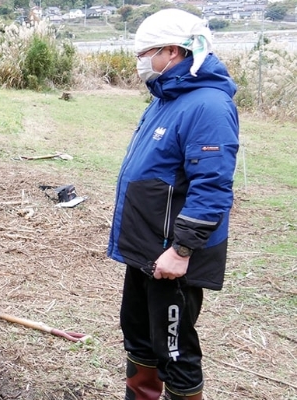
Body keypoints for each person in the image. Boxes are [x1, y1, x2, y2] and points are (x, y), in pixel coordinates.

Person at [107, 9, 239, 400]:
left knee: (174, 349)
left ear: (171, 51)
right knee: (138, 334)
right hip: (146, 246)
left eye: (144, 53)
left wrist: (182, 250)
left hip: (173, 255)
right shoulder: (167, 97)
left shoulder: (209, 105)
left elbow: (212, 186)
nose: (139, 63)